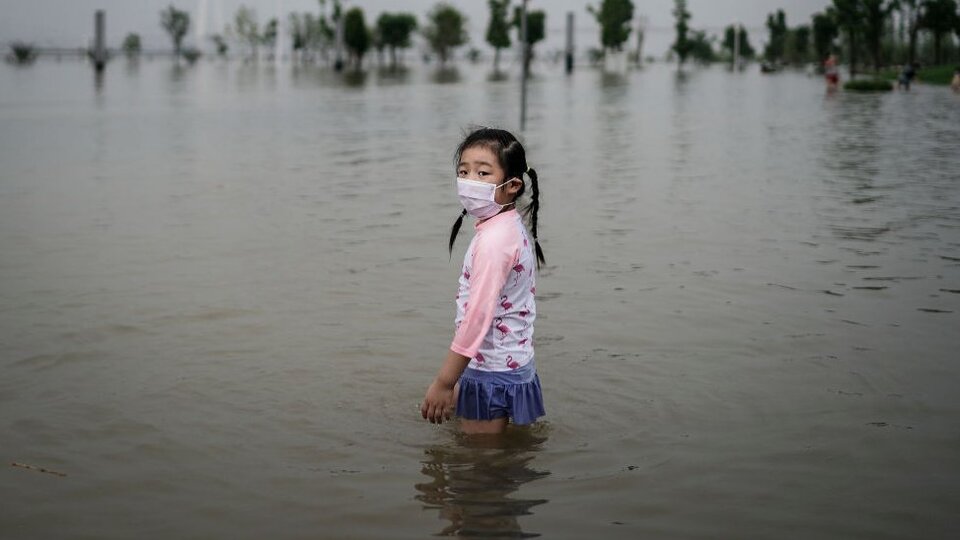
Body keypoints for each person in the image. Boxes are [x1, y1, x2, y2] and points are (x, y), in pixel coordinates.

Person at [420, 127, 547, 435]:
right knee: (500, 452)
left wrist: (444, 382)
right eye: (464, 172)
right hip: (513, 362)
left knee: (480, 461)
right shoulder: (508, 226)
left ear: (512, 185)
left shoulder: (493, 242)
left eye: (483, 173)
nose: (469, 181)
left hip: (491, 372)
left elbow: (477, 318)